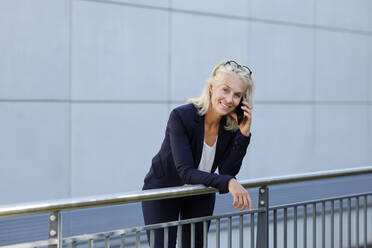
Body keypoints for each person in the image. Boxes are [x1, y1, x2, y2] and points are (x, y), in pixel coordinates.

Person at [142, 60, 255, 248]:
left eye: (237, 95)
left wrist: (243, 134)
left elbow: (227, 169)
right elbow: (185, 172)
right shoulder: (181, 116)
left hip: (200, 190)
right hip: (164, 190)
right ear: (212, 87)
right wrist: (228, 182)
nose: (229, 100)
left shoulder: (231, 125)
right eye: (225, 90)